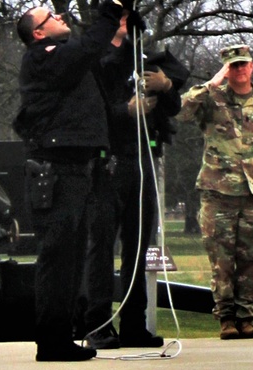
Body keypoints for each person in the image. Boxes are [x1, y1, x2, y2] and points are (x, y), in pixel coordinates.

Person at [13, 0, 140, 362]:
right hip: (56, 172)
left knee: (72, 258)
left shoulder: (67, 62)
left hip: (79, 170)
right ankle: (51, 341)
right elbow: (88, 48)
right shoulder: (44, 58)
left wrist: (122, 28)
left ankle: (62, 336)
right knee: (57, 257)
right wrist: (112, 4)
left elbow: (103, 60)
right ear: (39, 33)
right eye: (50, 16)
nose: (60, 15)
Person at [81, 46, 189, 349]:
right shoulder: (96, 64)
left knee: (137, 247)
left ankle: (133, 324)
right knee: (101, 246)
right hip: (109, 164)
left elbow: (173, 108)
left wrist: (165, 87)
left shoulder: (145, 57)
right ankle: (98, 324)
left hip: (144, 162)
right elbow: (91, 112)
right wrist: (126, 110)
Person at [178, 43, 253, 339]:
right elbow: (182, 111)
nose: (239, 70)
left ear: (252, 66)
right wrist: (212, 83)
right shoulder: (212, 99)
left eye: (243, 64)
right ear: (226, 69)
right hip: (218, 192)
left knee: (252, 260)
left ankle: (247, 317)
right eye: (233, 66)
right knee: (221, 261)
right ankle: (226, 318)